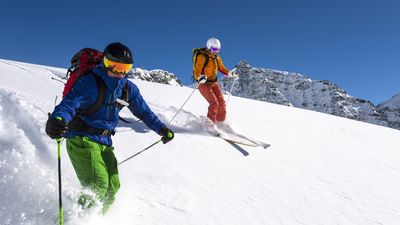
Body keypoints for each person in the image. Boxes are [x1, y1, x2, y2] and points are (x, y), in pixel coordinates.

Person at [45, 42, 174, 213]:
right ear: (105, 63)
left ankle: (95, 220)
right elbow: (70, 104)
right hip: (81, 138)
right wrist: (58, 119)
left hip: (105, 142)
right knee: (98, 185)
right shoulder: (90, 81)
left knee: (112, 188)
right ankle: (76, 220)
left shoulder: (128, 89)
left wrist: (161, 129)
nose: (120, 72)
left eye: (125, 68)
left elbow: (144, 112)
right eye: (115, 66)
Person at [193, 37, 238, 133]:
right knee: (214, 103)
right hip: (203, 84)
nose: (216, 51)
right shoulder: (202, 56)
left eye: (218, 50)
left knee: (222, 103)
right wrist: (199, 77)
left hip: (214, 83)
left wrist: (230, 73)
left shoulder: (216, 57)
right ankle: (210, 127)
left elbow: (221, 68)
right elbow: (196, 71)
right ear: (209, 47)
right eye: (214, 49)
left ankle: (220, 124)